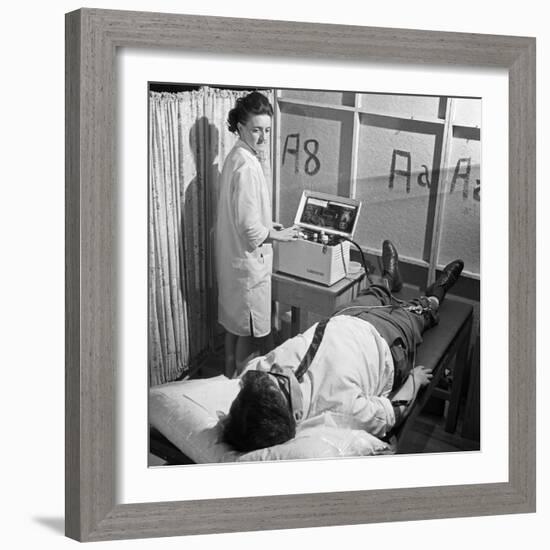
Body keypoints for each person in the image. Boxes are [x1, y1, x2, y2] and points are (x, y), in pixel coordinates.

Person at [221, 240, 464, 453]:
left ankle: (389, 280)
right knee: (418, 312)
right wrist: (415, 380)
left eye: (269, 375)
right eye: (282, 382)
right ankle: (437, 293)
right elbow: (389, 414)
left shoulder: (264, 374)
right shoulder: (339, 412)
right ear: (296, 416)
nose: (279, 370)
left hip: (345, 318)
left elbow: (245, 377)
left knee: (372, 293)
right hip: (386, 342)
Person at [216, 91, 298, 379]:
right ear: (240, 127)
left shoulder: (235, 156)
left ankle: (225, 383)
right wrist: (280, 236)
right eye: (256, 130)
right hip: (247, 269)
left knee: (233, 330)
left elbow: (242, 215)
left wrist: (269, 224)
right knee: (248, 339)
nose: (263, 138)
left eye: (267, 130)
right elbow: (250, 231)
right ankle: (237, 389)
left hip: (233, 264)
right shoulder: (248, 167)